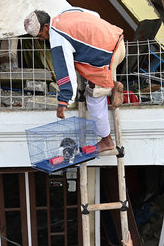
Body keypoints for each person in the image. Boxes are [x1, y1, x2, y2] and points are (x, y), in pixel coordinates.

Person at [24, 8, 125, 153]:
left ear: (46, 27)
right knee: (86, 70)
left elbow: (65, 71)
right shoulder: (65, 13)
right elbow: (95, 15)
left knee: (93, 98)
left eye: (40, 35)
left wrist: (64, 102)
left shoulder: (57, 37)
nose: (40, 39)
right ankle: (111, 85)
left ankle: (106, 140)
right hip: (117, 40)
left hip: (108, 55)